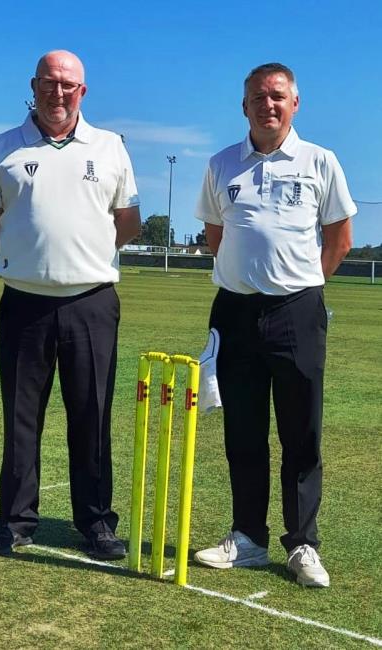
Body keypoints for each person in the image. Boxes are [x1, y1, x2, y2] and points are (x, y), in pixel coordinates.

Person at [0, 50, 141, 560]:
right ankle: (16, 522)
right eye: (50, 82)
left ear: (82, 92)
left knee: (91, 415)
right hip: (24, 303)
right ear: (35, 85)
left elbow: (127, 223)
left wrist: (82, 254)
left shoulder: (110, 147)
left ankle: (95, 524)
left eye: (68, 85)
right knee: (22, 418)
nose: (58, 93)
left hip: (92, 303)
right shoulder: (2, 148)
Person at [194, 63, 355, 587]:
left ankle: (303, 544)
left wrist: (301, 284)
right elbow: (215, 235)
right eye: (259, 97)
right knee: (242, 432)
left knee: (301, 432)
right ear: (244, 106)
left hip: (297, 313)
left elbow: (339, 238)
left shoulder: (320, 161)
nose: (268, 104)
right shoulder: (221, 165)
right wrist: (248, 279)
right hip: (235, 311)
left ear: (295, 103)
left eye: (278, 96)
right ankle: (247, 539)